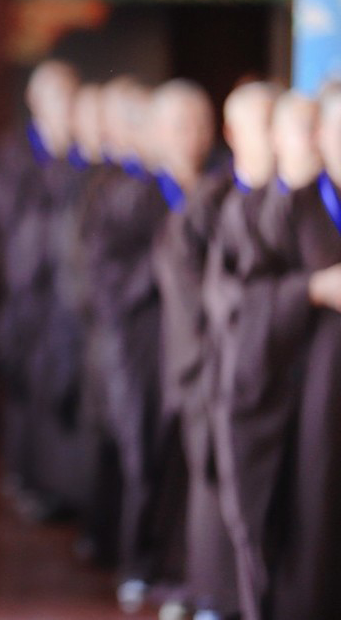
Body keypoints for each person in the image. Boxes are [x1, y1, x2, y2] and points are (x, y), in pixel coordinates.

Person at [227, 88, 341, 619]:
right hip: (309, 411)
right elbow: (242, 304)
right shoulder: (281, 207)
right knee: (313, 549)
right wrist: (312, 290)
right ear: (320, 137)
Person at [202, 85, 309, 620]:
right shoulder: (232, 207)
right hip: (248, 378)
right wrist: (306, 293)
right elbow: (229, 302)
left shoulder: (302, 202)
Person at [79, 77, 174, 609]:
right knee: (137, 445)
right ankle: (135, 558)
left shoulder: (178, 185)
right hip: (128, 334)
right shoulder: (115, 190)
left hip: (170, 335)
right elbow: (99, 274)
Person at [148, 80, 237, 618]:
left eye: (203, 123)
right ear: (158, 132)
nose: (194, 136)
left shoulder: (220, 192)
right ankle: (172, 574)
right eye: (182, 124)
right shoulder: (130, 190)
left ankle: (203, 583)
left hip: (208, 354)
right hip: (157, 352)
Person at [0, 60, 87, 518]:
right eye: (55, 96)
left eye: (70, 95)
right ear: (35, 101)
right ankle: (28, 480)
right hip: (27, 292)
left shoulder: (86, 154)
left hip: (67, 295)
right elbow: (6, 218)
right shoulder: (15, 152)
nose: (63, 106)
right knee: (30, 391)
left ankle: (65, 487)